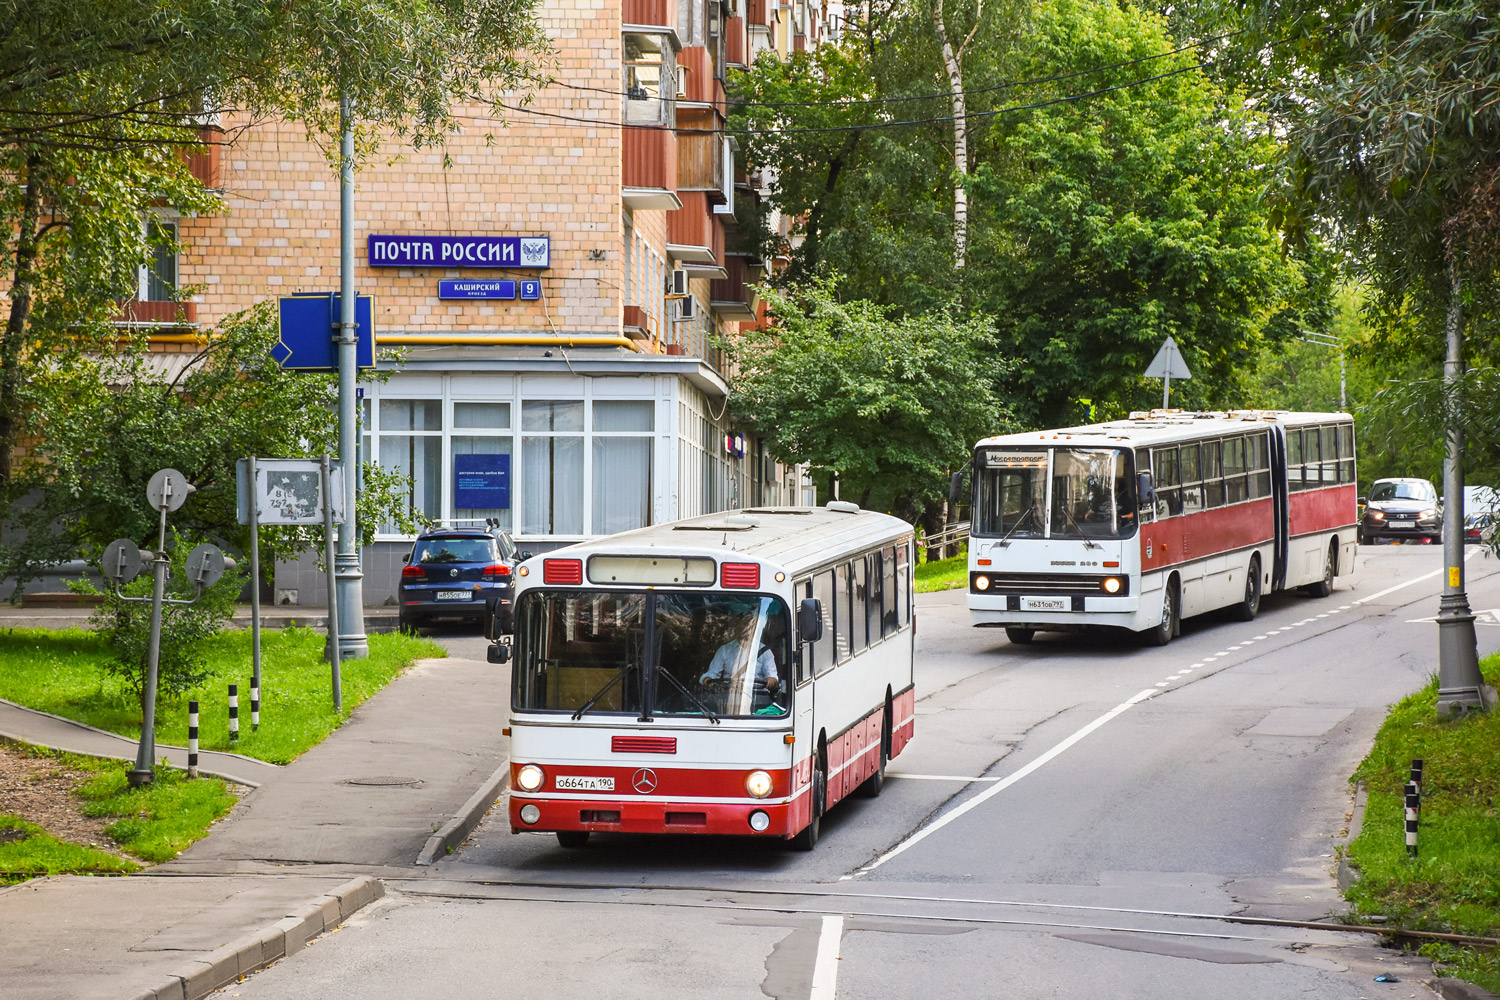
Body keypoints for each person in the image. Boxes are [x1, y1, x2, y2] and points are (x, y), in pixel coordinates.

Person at [700, 614, 783, 695]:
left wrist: (770, 681)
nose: (745, 630)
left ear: (754, 629)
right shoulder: (724, 650)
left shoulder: (765, 651)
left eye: (748, 627)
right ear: (736, 629)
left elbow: (772, 677)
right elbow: (711, 674)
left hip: (757, 697)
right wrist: (707, 681)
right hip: (728, 697)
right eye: (742, 627)